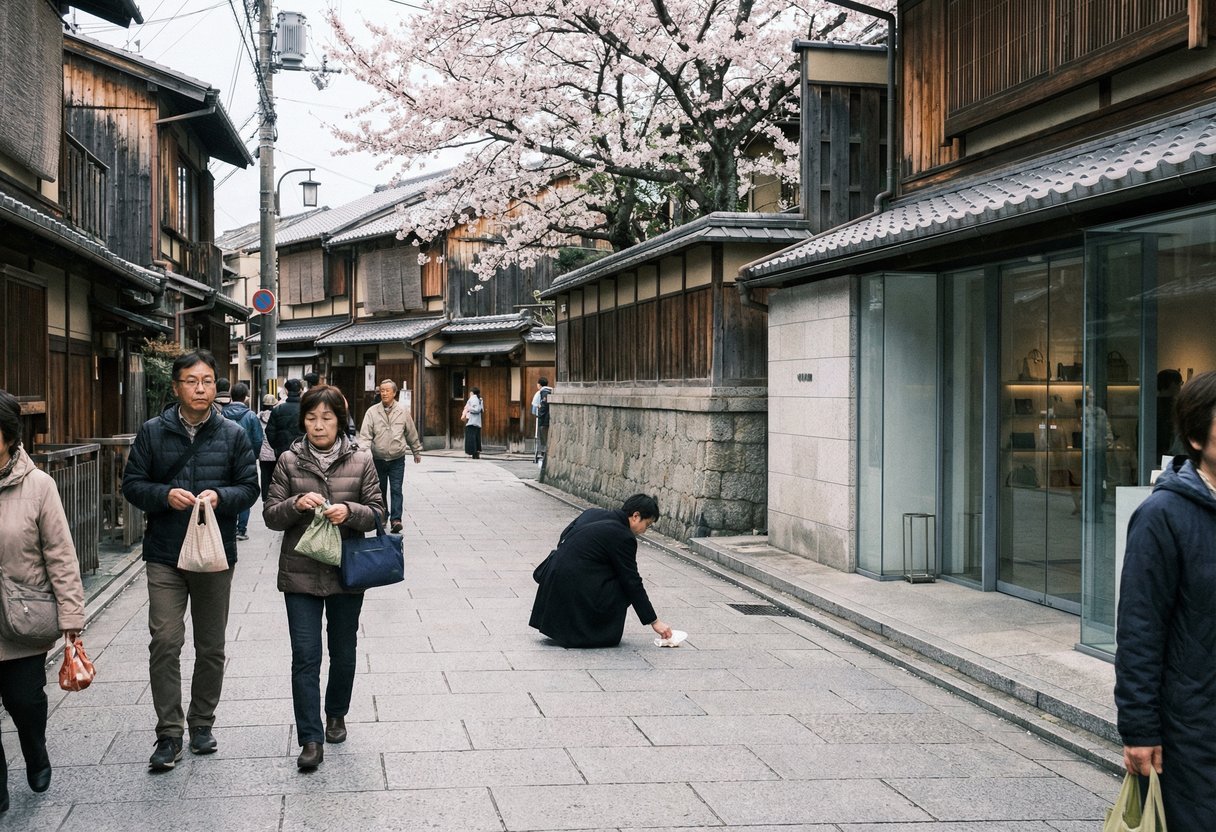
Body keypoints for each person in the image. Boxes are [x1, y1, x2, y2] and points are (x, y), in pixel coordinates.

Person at [121, 349, 259, 772]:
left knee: (211, 645)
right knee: (165, 640)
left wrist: (221, 498)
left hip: (215, 554)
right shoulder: (152, 432)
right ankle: (169, 732)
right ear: (176, 386)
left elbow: (250, 487)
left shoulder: (233, 433)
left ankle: (201, 723)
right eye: (191, 381)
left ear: (216, 385)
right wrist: (164, 496)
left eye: (207, 381)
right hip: (166, 551)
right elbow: (132, 484)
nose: (201, 388)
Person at [262, 385, 384, 771]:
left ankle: (336, 713)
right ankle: (310, 739)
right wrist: (296, 504)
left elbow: (378, 511)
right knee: (305, 656)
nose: (318, 426)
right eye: (312, 418)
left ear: (339, 420)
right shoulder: (288, 461)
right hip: (299, 573)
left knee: (343, 651)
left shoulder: (362, 459)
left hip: (347, 572)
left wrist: (349, 511)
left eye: (326, 418)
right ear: (303, 421)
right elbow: (270, 514)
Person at [1116, 370, 1216, 830]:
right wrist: (1140, 729)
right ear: (1196, 436)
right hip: (1193, 730)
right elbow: (1140, 629)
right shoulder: (1162, 516)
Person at [0, 390, 85, 812]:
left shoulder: (38, 485)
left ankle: (35, 750)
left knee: (24, 701)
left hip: (23, 616)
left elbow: (60, 553)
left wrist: (71, 616)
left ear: (8, 435)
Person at [529, 494, 673, 648]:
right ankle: (594, 632)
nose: (645, 530)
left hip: (552, 584)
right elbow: (632, 581)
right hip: (573, 589)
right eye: (648, 524)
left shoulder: (592, 513)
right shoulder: (623, 537)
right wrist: (654, 621)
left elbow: (564, 536)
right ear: (636, 516)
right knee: (623, 585)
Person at [356, 379, 422, 535]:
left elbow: (411, 432)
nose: (384, 393)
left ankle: (396, 520)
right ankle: (383, 515)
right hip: (378, 458)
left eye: (387, 390)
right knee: (380, 489)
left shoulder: (403, 411)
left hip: (397, 457)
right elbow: (365, 434)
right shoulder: (372, 411)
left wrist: (416, 451)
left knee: (396, 489)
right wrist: (362, 451)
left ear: (394, 393)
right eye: (382, 390)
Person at [221, 382, 264, 541]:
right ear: (246, 397)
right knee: (245, 491)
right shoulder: (251, 416)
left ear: (231, 395)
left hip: (224, 458)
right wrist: (254, 456)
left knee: (227, 491)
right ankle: (241, 529)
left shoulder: (222, 414)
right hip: (246, 459)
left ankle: (229, 527)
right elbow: (258, 439)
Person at [267, 378, 304, 459]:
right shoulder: (307, 409)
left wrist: (276, 447)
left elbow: (270, 431)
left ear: (286, 391)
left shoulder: (278, 409)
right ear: (301, 390)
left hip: (282, 452)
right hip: (304, 452)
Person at [258, 394, 277, 503]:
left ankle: (265, 498)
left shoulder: (258, 416)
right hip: (275, 451)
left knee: (265, 477)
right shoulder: (277, 415)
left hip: (263, 453)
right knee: (276, 477)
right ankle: (274, 498)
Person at [531, 377, 552, 463]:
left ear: (539, 384)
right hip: (549, 418)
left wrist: (539, 414)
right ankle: (544, 453)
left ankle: (542, 453)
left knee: (542, 436)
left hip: (542, 419)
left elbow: (536, 407)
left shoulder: (541, 393)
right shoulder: (551, 391)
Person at [462, 386, 483, 459]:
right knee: (476, 438)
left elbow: (476, 409)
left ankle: (474, 453)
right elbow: (481, 410)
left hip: (472, 422)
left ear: (471, 392)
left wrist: (468, 408)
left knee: (471, 438)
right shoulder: (479, 399)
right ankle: (476, 454)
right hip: (478, 422)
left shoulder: (473, 398)